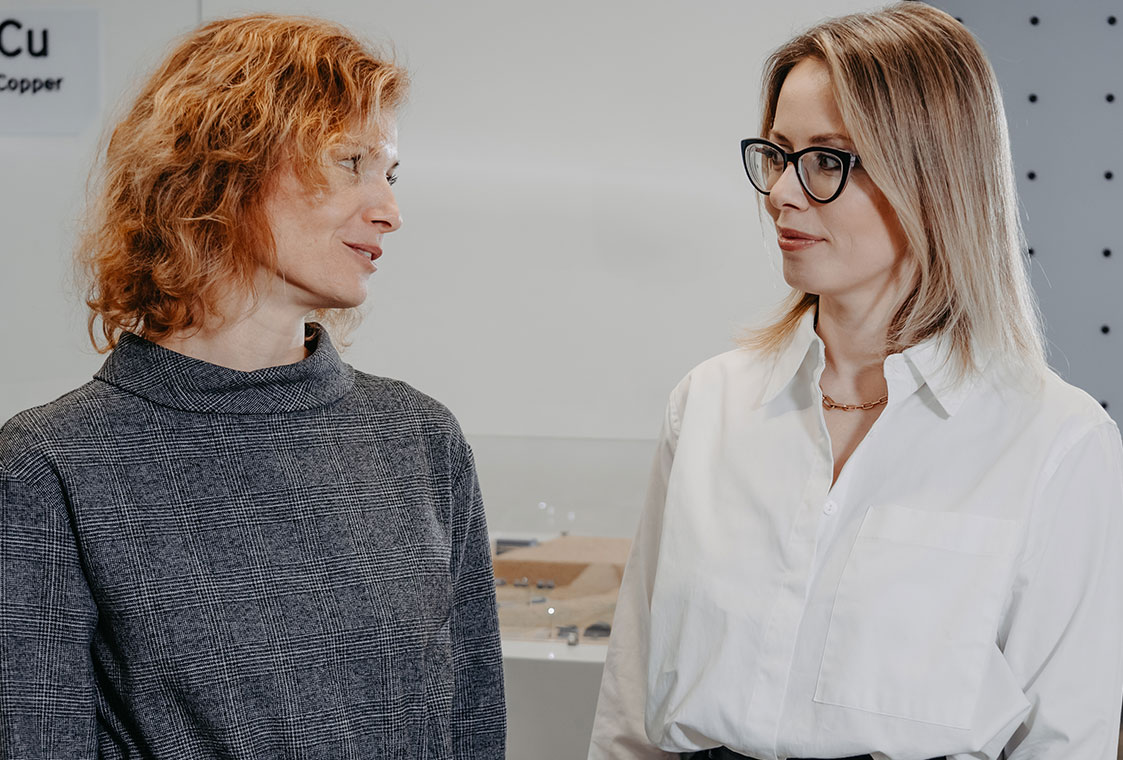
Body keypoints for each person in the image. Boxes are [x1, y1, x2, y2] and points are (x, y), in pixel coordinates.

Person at [589, 4, 1123, 759]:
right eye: (776, 154)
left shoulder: (1056, 443)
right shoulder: (707, 405)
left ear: (931, 178)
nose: (780, 193)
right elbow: (627, 711)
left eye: (827, 160)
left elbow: (1065, 740)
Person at [0, 15, 505, 759]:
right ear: (226, 166)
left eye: (389, 174)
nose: (389, 211)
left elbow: (471, 728)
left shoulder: (417, 436)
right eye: (350, 162)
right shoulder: (52, 465)